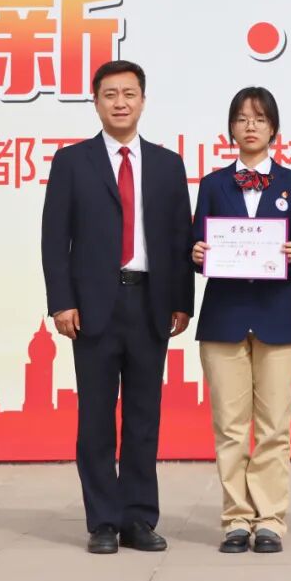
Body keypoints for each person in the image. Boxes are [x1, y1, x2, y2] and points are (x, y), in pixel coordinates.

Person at [41, 60, 194, 555]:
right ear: (96, 102)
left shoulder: (168, 164)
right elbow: (54, 239)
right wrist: (61, 302)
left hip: (150, 302)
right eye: (110, 94)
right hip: (93, 307)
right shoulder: (72, 162)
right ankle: (103, 521)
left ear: (143, 101)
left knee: (145, 418)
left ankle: (139, 518)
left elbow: (179, 236)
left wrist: (181, 301)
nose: (120, 102)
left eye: (129, 93)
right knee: (96, 419)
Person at [191, 86, 291, 554]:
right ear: (230, 128)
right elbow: (195, 243)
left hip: (278, 317)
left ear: (274, 129)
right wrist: (196, 252)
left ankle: (269, 519)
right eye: (242, 118)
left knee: (273, 427)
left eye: (260, 118)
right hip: (223, 317)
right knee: (230, 426)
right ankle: (235, 518)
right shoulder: (213, 185)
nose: (250, 126)